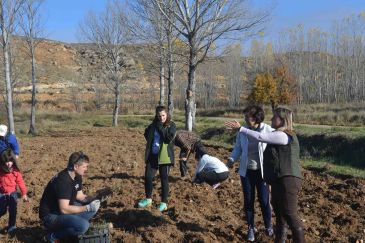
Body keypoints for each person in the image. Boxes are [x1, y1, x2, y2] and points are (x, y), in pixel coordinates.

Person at [226, 107, 305, 243]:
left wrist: (241, 129)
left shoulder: (283, 135)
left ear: (282, 120)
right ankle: (260, 231)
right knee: (279, 215)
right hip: (275, 179)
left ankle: (280, 231)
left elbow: (260, 137)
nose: (272, 118)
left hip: (286, 179)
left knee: (288, 213)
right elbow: (239, 148)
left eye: (275, 117)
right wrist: (232, 159)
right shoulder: (276, 133)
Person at [225, 105, 274, 241]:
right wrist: (231, 158)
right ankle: (250, 227)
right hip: (246, 172)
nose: (246, 119)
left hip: (262, 172)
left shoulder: (267, 129)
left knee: (264, 201)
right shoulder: (243, 132)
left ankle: (268, 226)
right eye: (245, 116)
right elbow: (238, 148)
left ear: (256, 117)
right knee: (248, 201)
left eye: (248, 116)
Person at [39, 151, 102, 243]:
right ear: (76, 167)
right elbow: (64, 209)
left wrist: (95, 198)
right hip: (51, 216)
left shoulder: (77, 176)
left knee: (93, 209)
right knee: (83, 226)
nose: (86, 169)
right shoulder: (63, 181)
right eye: (84, 167)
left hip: (61, 210)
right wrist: (87, 208)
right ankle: (52, 236)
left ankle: (70, 230)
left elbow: (80, 196)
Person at [138, 106, 176, 212]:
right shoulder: (153, 125)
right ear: (156, 115)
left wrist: (160, 127)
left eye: (163, 115)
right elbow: (146, 133)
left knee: (164, 179)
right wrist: (152, 143)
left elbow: (167, 138)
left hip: (165, 157)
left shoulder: (171, 125)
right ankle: (148, 199)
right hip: (153, 155)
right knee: (148, 177)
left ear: (167, 115)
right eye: (159, 116)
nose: (161, 118)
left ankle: (164, 203)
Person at [0, 149, 28, 233]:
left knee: (13, 211)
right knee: (2, 210)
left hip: (12, 194)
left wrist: (24, 193)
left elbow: (21, 182)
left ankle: (11, 226)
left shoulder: (15, 171)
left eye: (11, 161)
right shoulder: (1, 171)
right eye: (6, 161)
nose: (9, 163)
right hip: (2, 193)